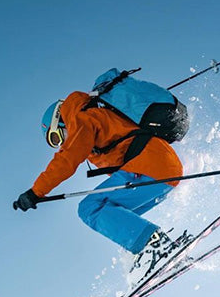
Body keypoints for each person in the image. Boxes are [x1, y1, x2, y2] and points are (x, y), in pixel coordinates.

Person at [14, 92, 189, 285]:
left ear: (60, 121)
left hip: (150, 167)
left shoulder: (82, 120)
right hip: (163, 171)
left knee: (90, 208)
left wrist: (35, 192)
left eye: (56, 137)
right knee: (113, 214)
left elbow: (67, 159)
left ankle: (155, 246)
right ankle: (154, 250)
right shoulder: (96, 117)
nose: (61, 144)